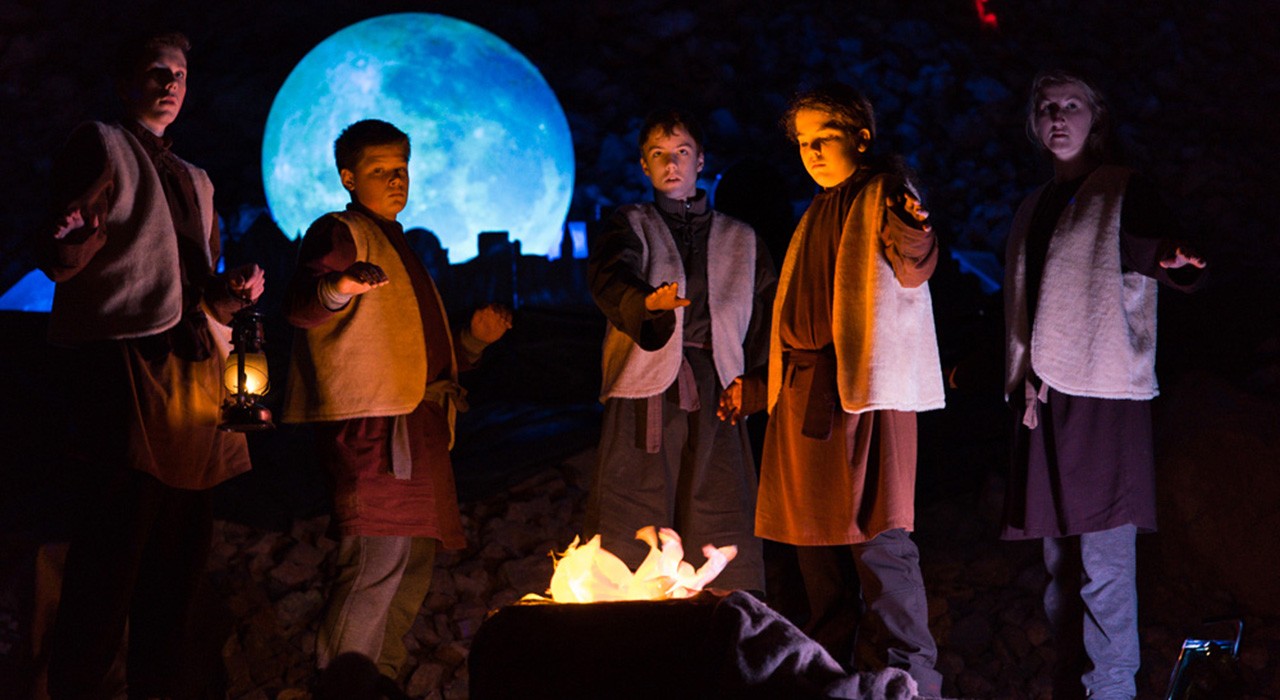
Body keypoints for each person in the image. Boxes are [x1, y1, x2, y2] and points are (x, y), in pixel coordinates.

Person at [38, 31, 266, 698]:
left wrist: (230, 294)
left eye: (180, 75)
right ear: (125, 82)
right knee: (112, 559)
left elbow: (198, 284)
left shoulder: (197, 178)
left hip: (194, 379)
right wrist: (71, 240)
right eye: (156, 72)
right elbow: (62, 253)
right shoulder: (101, 143)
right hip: (131, 371)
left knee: (178, 567)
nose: (170, 85)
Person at [1002, 70, 1207, 700]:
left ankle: (1112, 690)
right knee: (1059, 562)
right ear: (1034, 123)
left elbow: (1154, 246)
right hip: (1046, 398)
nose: (1058, 117)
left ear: (1096, 117)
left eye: (1072, 105)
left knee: (1105, 564)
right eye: (1047, 107)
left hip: (1103, 397)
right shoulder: (1035, 205)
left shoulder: (1122, 189)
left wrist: (1171, 259)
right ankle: (1073, 685)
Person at [282, 119, 511, 682]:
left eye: (401, 168)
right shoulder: (341, 232)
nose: (395, 180)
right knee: (375, 564)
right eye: (380, 170)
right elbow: (302, 305)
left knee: (409, 571)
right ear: (348, 177)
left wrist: (472, 342)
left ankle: (376, 685)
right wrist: (341, 286)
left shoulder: (396, 243)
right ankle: (341, 690)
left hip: (419, 427)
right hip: (375, 432)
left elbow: (413, 351)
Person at [754, 83, 945, 697]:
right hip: (804, 400)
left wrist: (915, 232)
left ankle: (909, 682)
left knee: (879, 538)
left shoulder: (882, 192)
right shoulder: (818, 208)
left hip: (862, 397)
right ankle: (830, 679)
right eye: (803, 142)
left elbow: (913, 262)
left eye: (825, 138)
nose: (811, 152)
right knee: (817, 553)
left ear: (861, 138)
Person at [584, 109, 777, 593]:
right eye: (659, 154)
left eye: (682, 152)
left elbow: (768, 318)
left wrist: (759, 382)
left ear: (701, 161)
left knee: (719, 508)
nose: (671, 164)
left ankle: (723, 616)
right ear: (644, 165)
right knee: (634, 511)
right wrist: (646, 304)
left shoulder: (741, 239)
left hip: (719, 389)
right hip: (646, 389)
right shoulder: (630, 224)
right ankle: (626, 614)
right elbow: (611, 275)